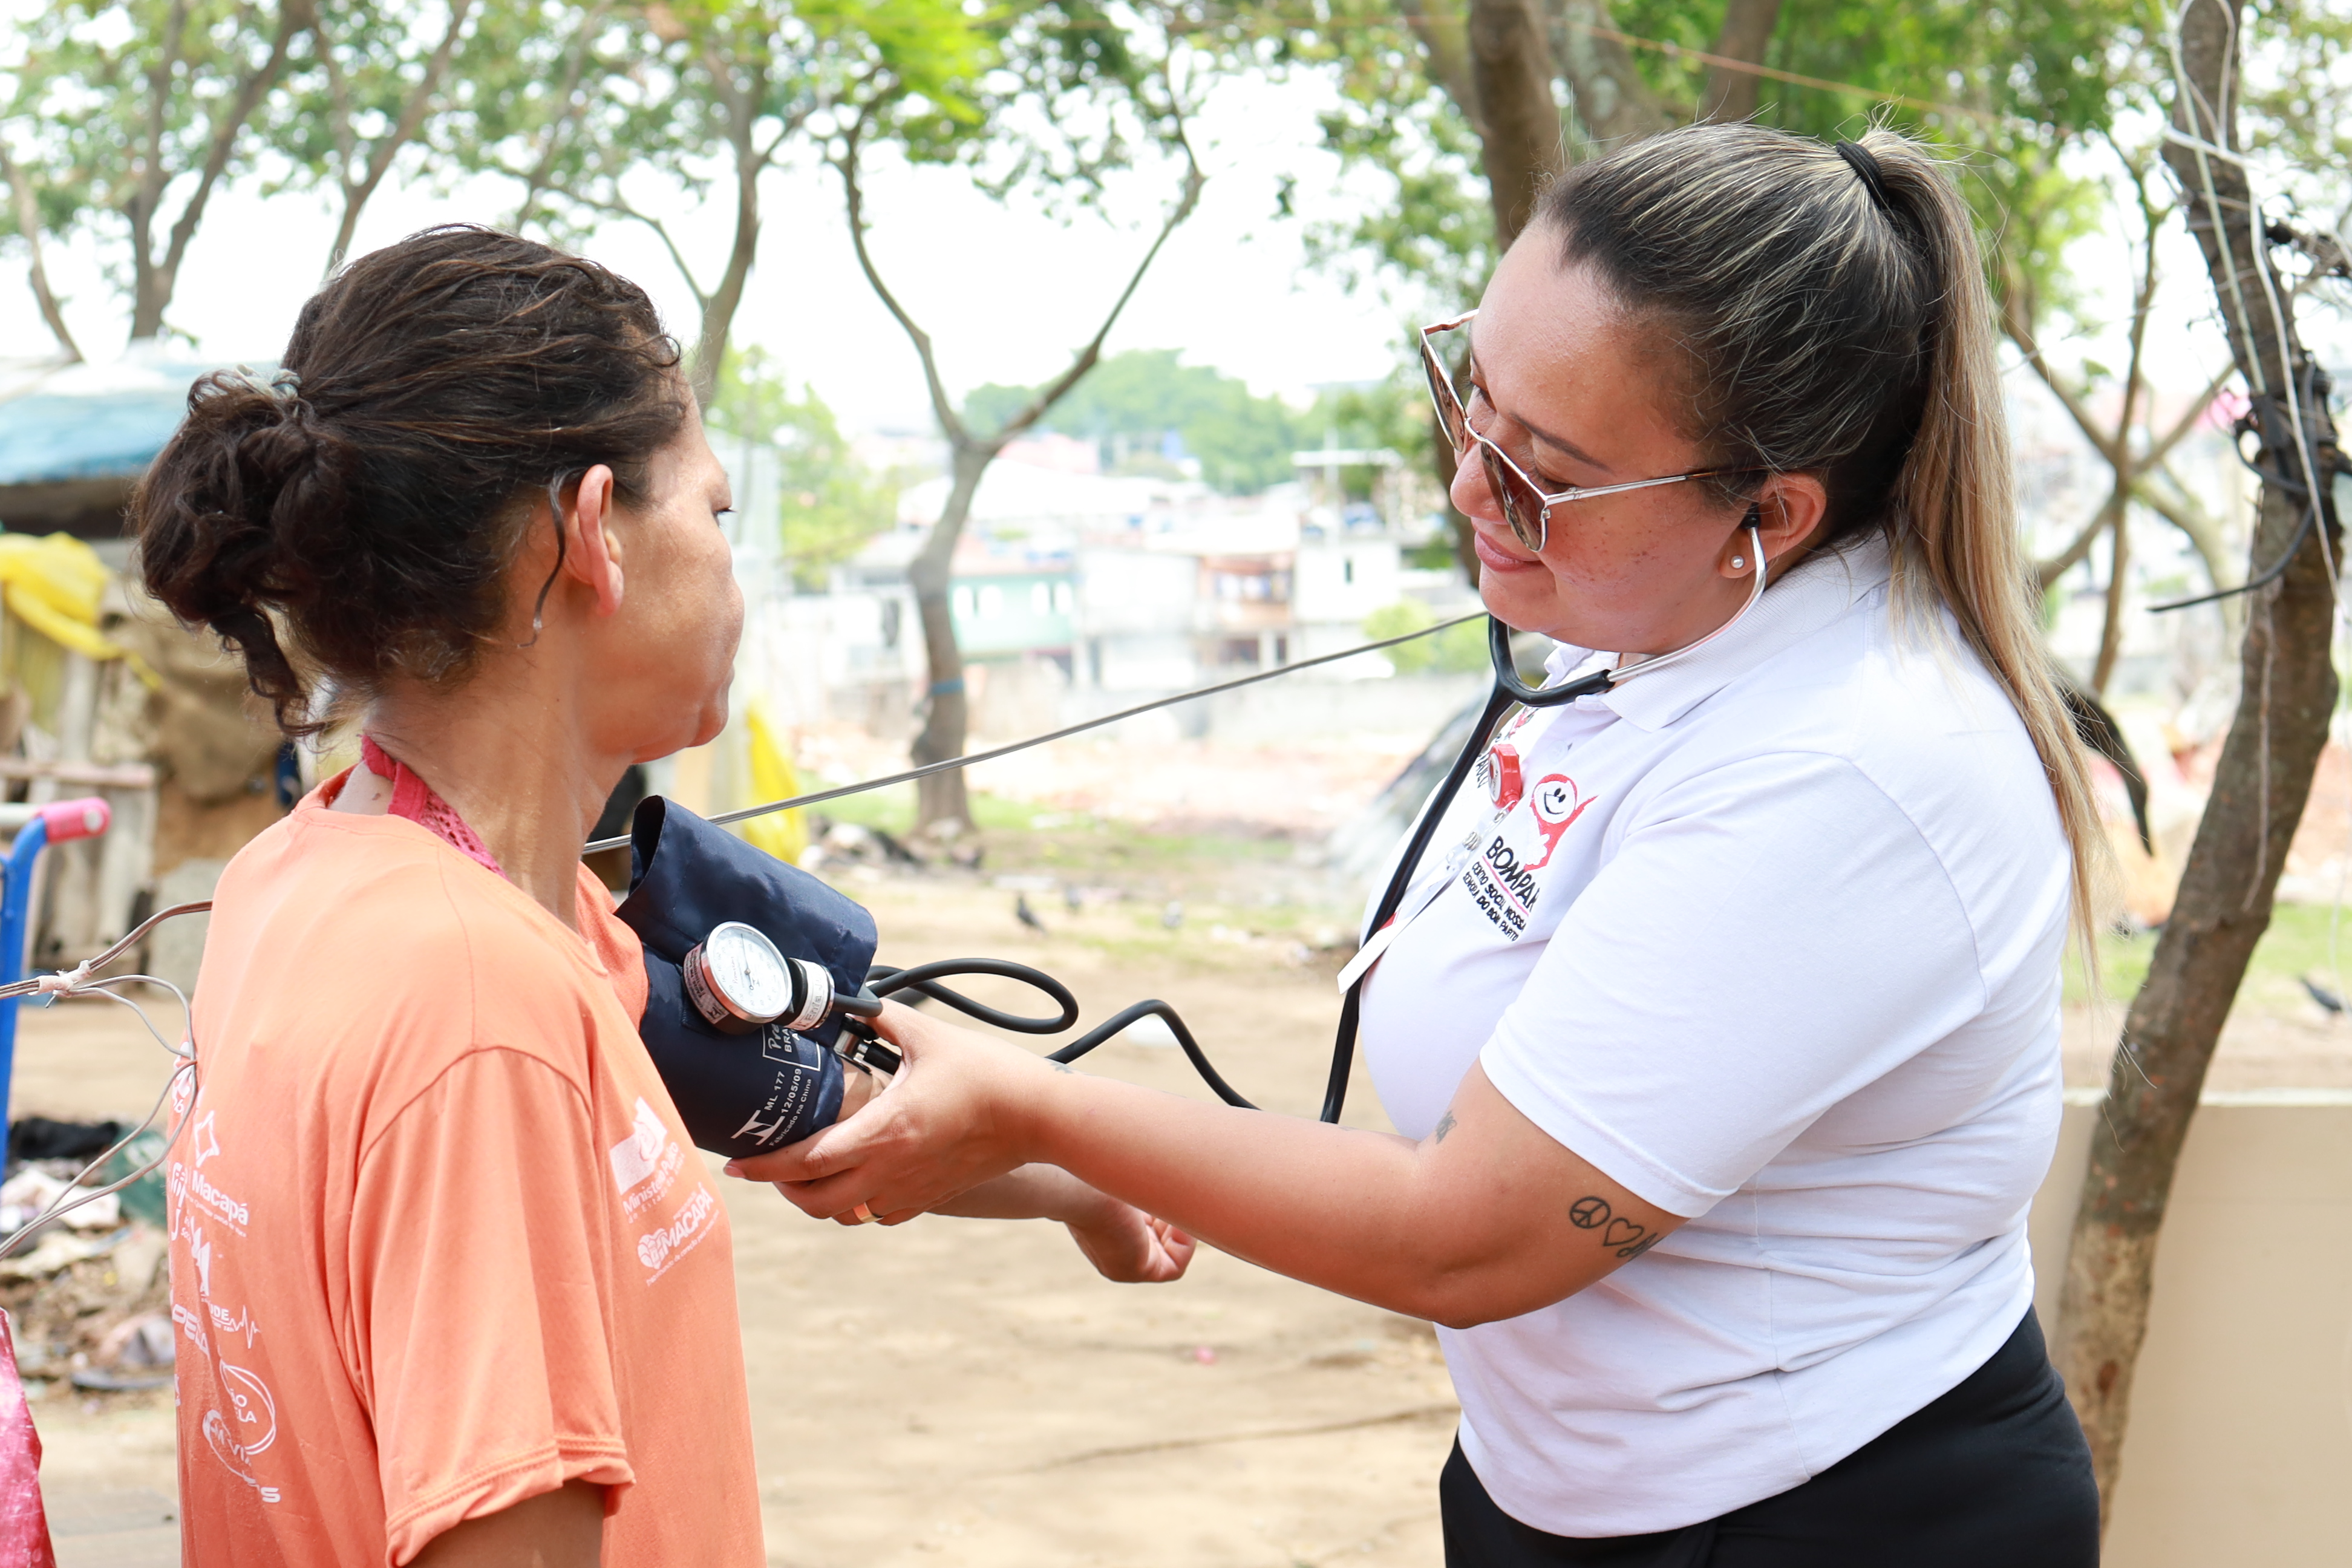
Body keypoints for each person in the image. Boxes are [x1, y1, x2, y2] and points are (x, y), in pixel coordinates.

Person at [738, 124, 2106, 1566]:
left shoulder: (1848, 769)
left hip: (1822, 1514)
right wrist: (1083, 1155)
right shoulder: (1647, 637)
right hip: (1560, 1482)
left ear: (1765, 517)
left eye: (1544, 473)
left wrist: (1043, 1114)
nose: (1469, 490)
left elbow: (1469, 1232)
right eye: (1472, 404)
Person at [134, 225, 1184, 1568]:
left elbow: (803, 1103)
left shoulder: (333, 875)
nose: (731, 565)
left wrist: (1083, 1179)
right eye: (715, 514)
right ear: (592, 532)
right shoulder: (481, 1011)